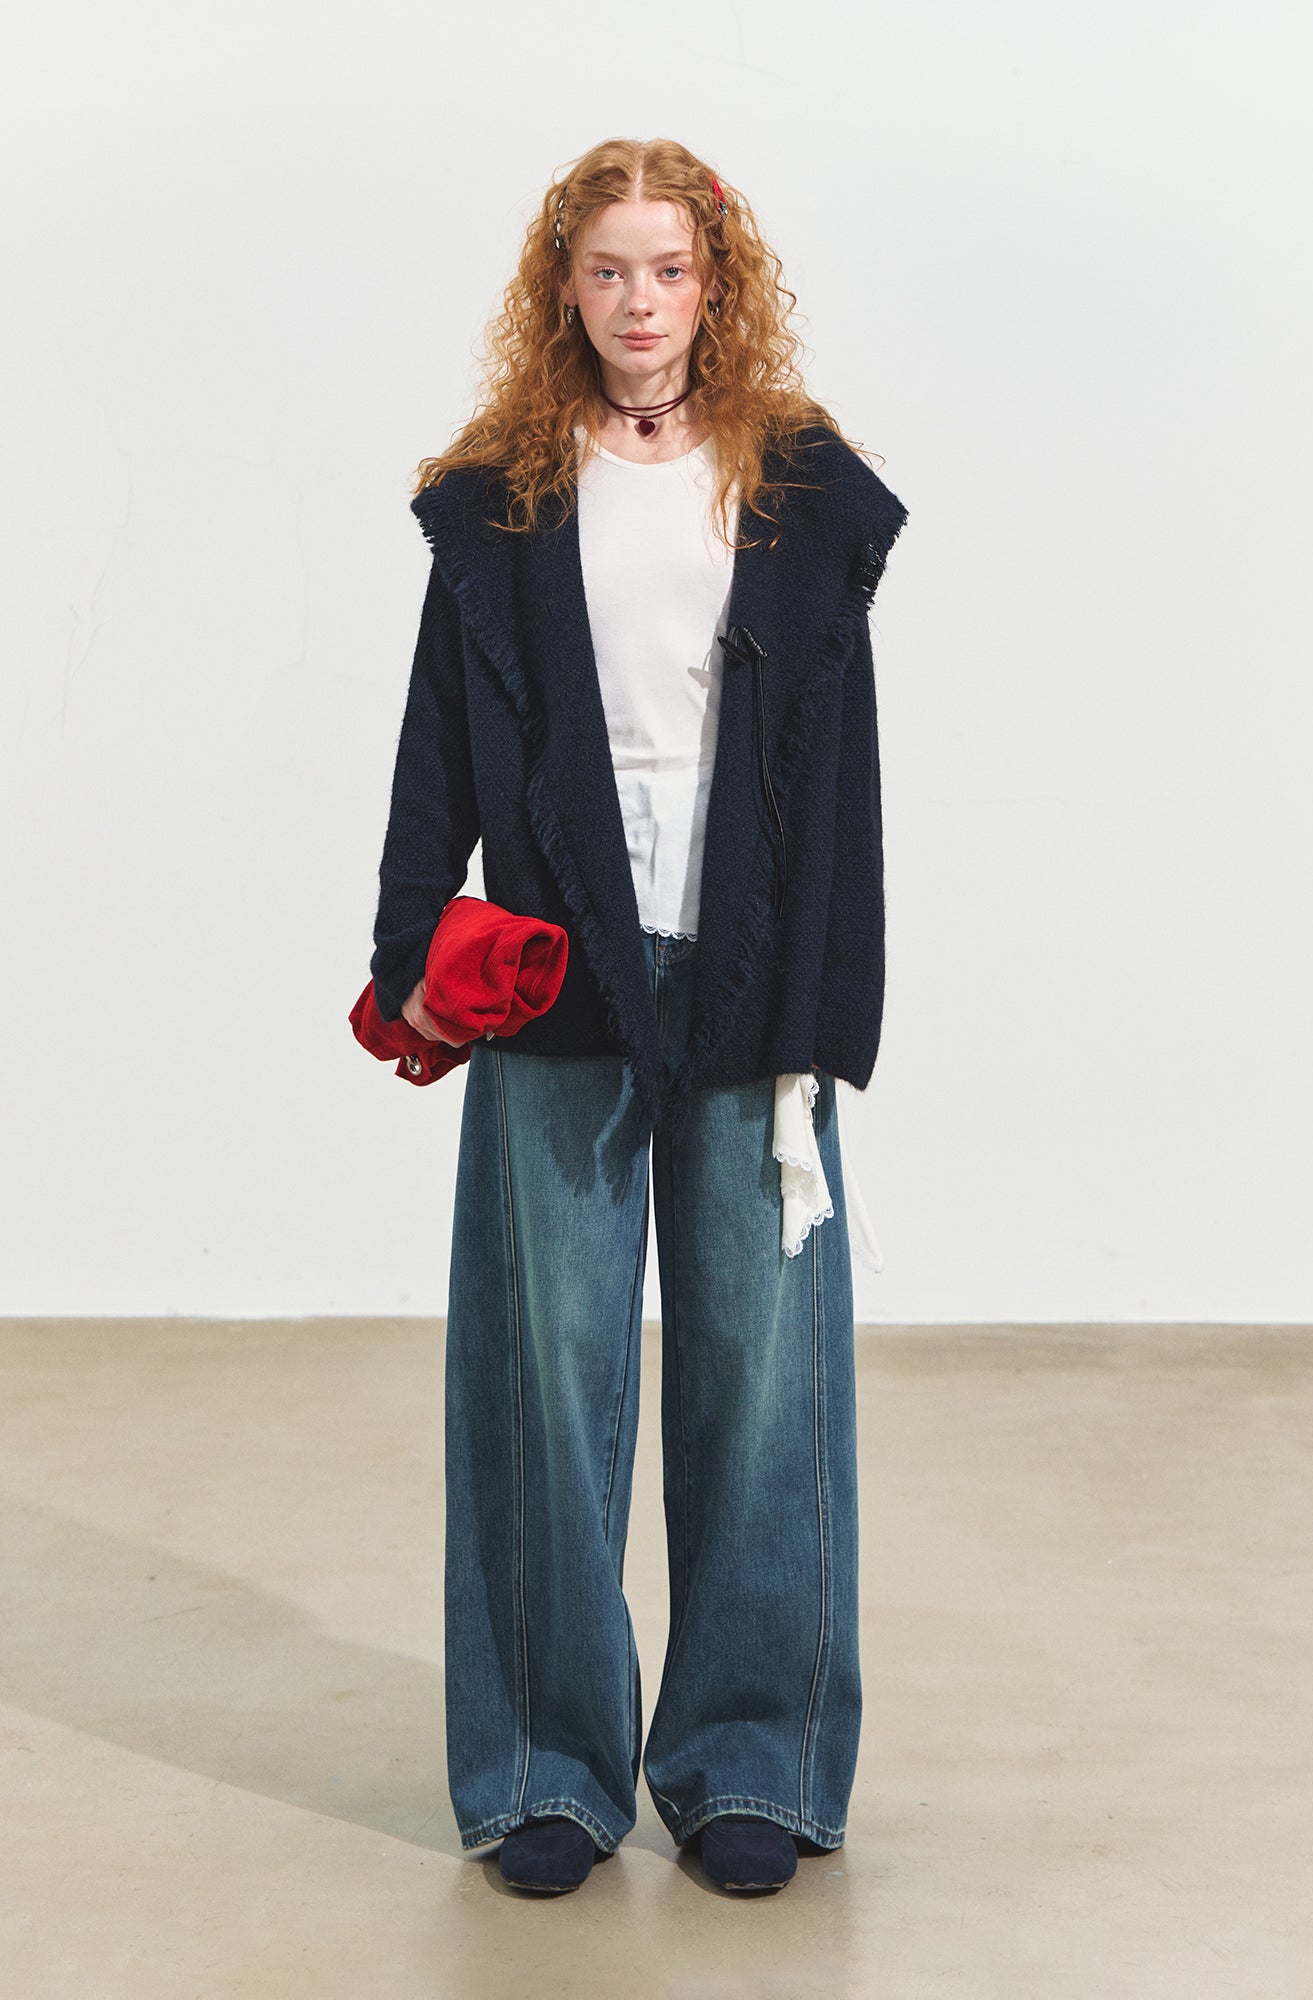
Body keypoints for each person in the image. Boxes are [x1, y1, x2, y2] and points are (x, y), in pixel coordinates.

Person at [368, 137, 908, 1896]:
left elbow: (843, 776)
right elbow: (438, 738)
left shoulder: (798, 489)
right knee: (547, 1376)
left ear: (715, 282)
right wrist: (407, 948)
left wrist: (830, 1007)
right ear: (566, 287)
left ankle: (751, 1759)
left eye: (668, 270)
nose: (640, 303)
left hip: (753, 975)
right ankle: (545, 1768)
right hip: (560, 970)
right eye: (607, 270)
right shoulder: (506, 497)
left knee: (765, 1376)